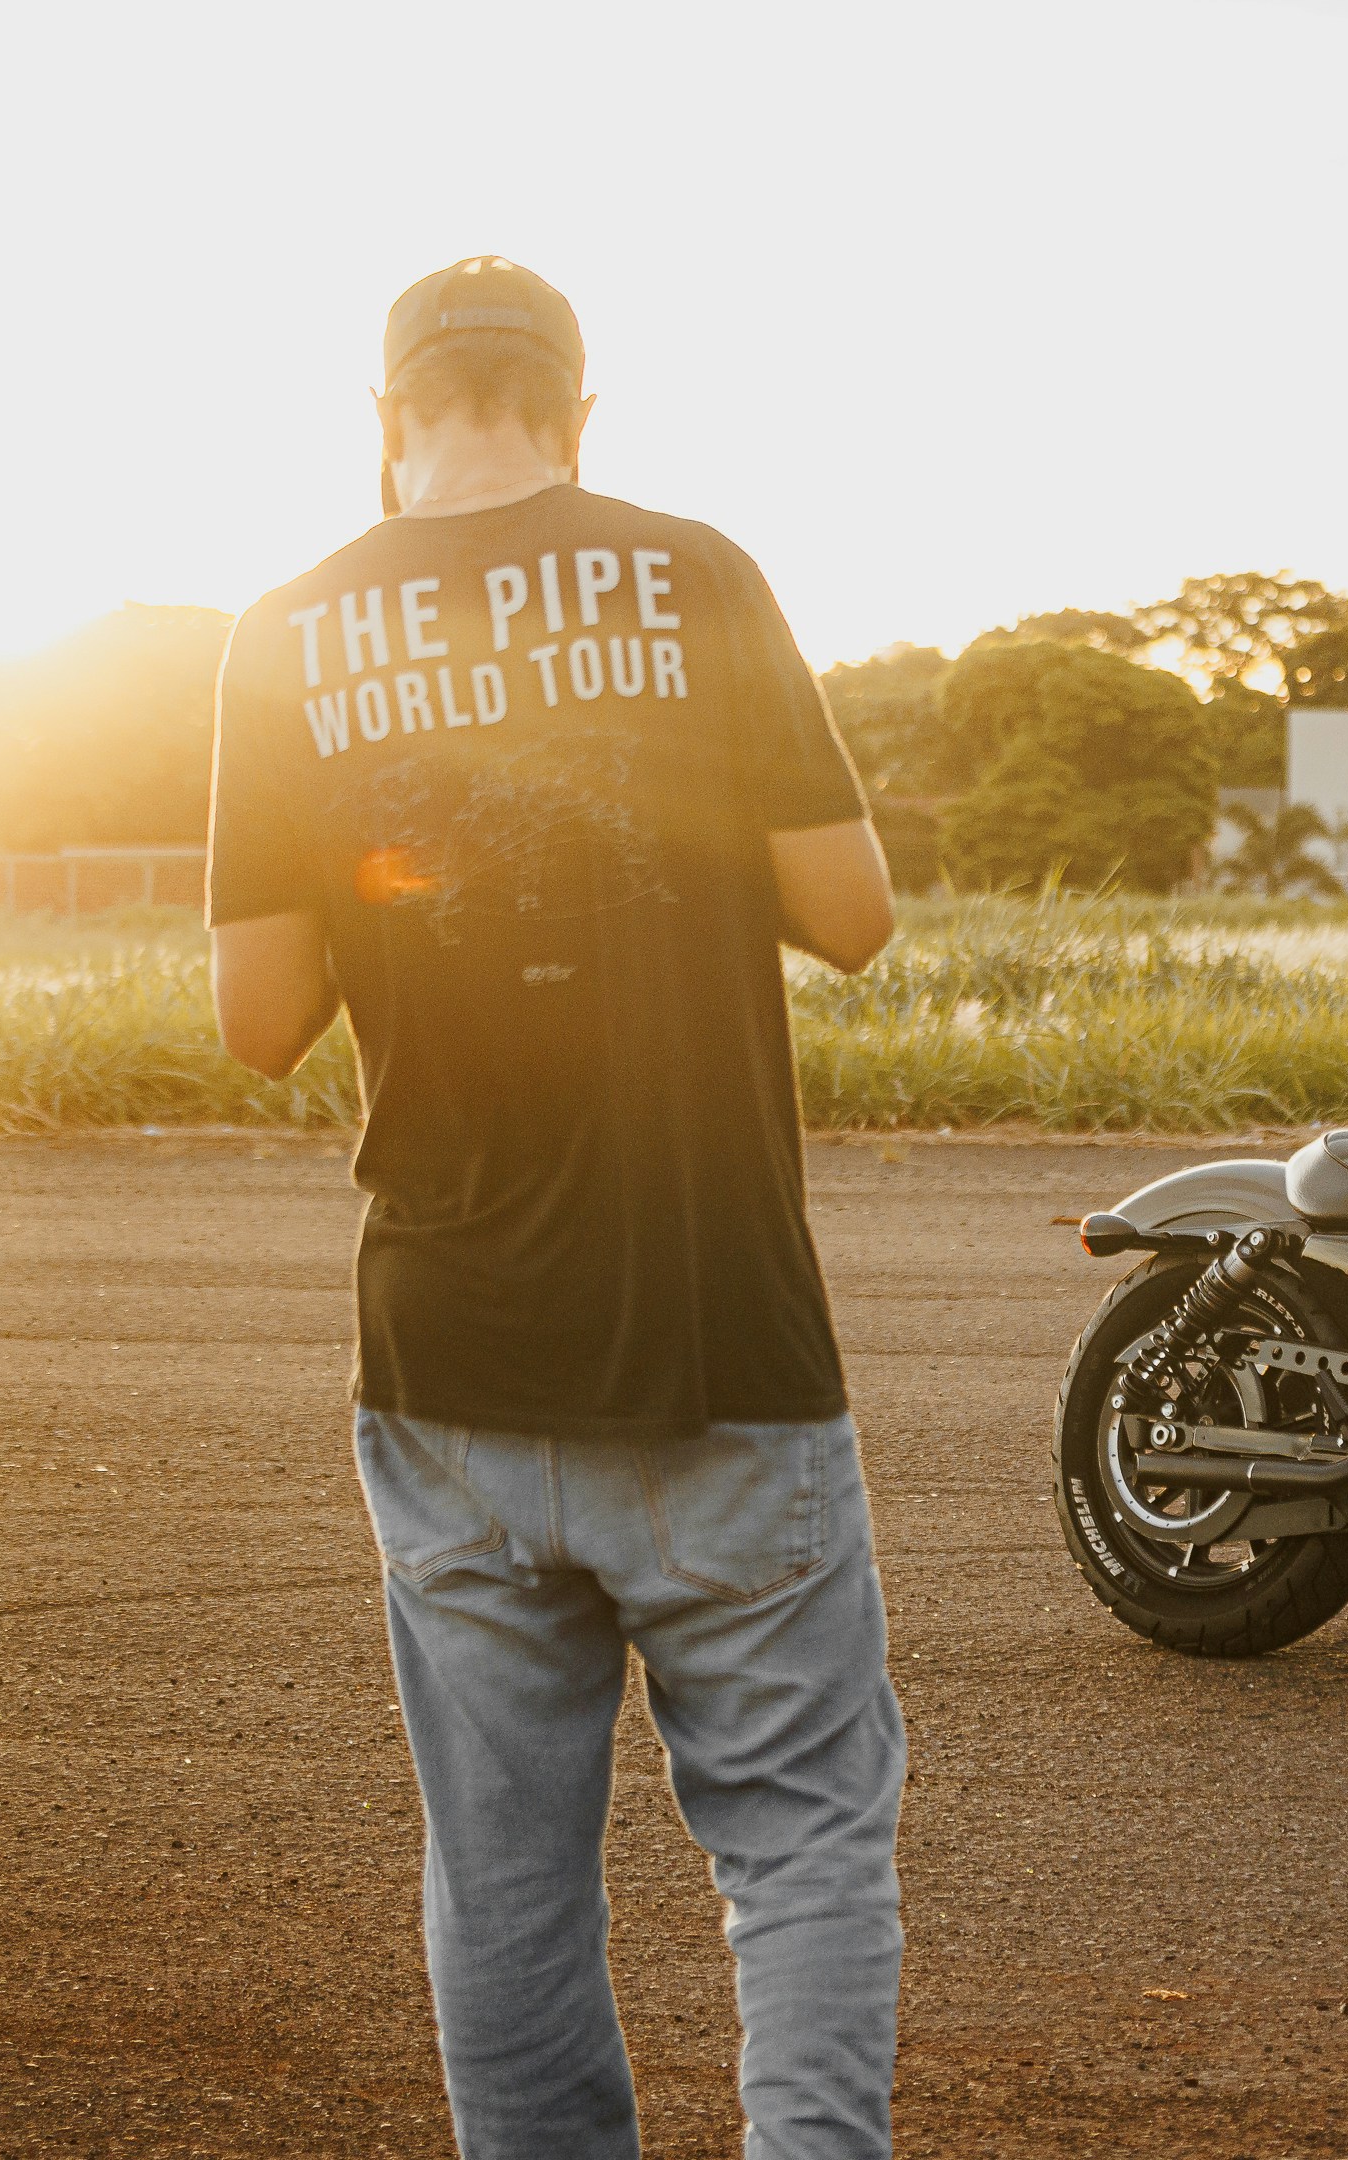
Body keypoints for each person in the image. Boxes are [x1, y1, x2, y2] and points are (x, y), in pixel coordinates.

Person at [205, 256, 906, 2158]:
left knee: (505, 1888)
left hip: (451, 1359)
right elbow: (854, 915)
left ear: (383, 423)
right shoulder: (696, 576)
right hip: (712, 1336)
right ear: (579, 415)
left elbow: (259, 1019)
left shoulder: (283, 638)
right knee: (802, 1846)